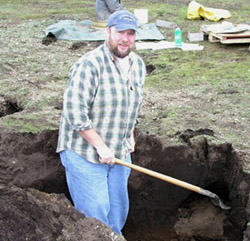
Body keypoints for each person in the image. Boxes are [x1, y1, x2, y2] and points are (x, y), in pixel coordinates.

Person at [56, 10, 146, 235]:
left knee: (117, 212)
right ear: (107, 32)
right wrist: (100, 145)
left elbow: (131, 106)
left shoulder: (138, 65)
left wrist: (130, 135)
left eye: (131, 33)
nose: (125, 39)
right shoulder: (89, 65)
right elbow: (74, 113)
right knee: (96, 215)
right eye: (119, 32)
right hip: (84, 153)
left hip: (118, 152)